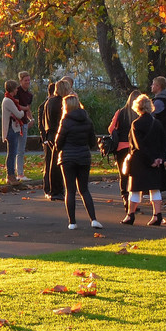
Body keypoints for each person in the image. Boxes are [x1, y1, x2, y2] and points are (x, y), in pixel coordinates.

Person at [54, 94, 101, 230]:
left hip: (68, 158)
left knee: (70, 190)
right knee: (84, 189)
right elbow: (92, 142)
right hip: (83, 157)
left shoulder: (65, 121)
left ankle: (72, 222)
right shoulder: (87, 120)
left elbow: (58, 142)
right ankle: (93, 219)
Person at [124, 94, 166, 226]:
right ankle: (157, 215)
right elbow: (163, 144)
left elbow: (138, 145)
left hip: (140, 161)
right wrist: (160, 159)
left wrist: (150, 160)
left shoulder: (136, 124)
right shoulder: (157, 123)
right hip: (156, 160)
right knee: (155, 189)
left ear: (137, 107)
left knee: (135, 189)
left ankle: (130, 215)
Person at [108, 89, 141, 210]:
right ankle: (134, 200)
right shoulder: (140, 115)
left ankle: (125, 197)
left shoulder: (121, 112)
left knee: (123, 174)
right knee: (135, 174)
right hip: (136, 148)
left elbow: (111, 128)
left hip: (121, 147)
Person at [0, 79, 25, 185]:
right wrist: (23, 111)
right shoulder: (8, 101)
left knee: (12, 153)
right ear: (13, 89)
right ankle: (10, 175)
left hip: (13, 128)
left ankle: (12, 175)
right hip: (11, 129)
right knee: (12, 153)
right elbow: (19, 114)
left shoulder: (9, 100)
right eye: (15, 89)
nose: (16, 91)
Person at [15, 71, 34, 180]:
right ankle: (16, 173)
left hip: (24, 123)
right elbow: (16, 106)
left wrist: (31, 119)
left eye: (28, 80)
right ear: (21, 81)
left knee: (21, 149)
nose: (28, 82)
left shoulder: (29, 95)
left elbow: (28, 109)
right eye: (25, 80)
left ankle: (20, 172)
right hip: (16, 123)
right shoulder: (17, 91)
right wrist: (25, 108)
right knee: (16, 149)